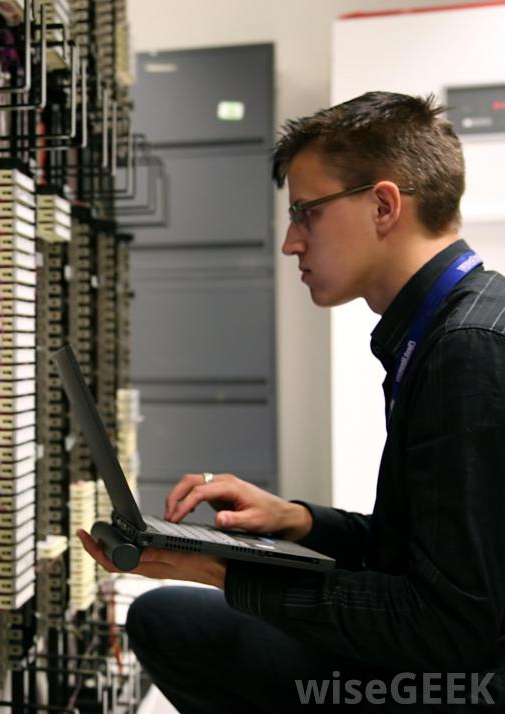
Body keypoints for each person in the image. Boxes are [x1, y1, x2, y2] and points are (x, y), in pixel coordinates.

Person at [77, 92, 505, 712]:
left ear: (384, 205)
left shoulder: (466, 350)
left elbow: (447, 628)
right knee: (171, 619)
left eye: (306, 213)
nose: (290, 242)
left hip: (465, 683)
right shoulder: (451, 325)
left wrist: (219, 571)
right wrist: (294, 520)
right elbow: (419, 552)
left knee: (173, 620)